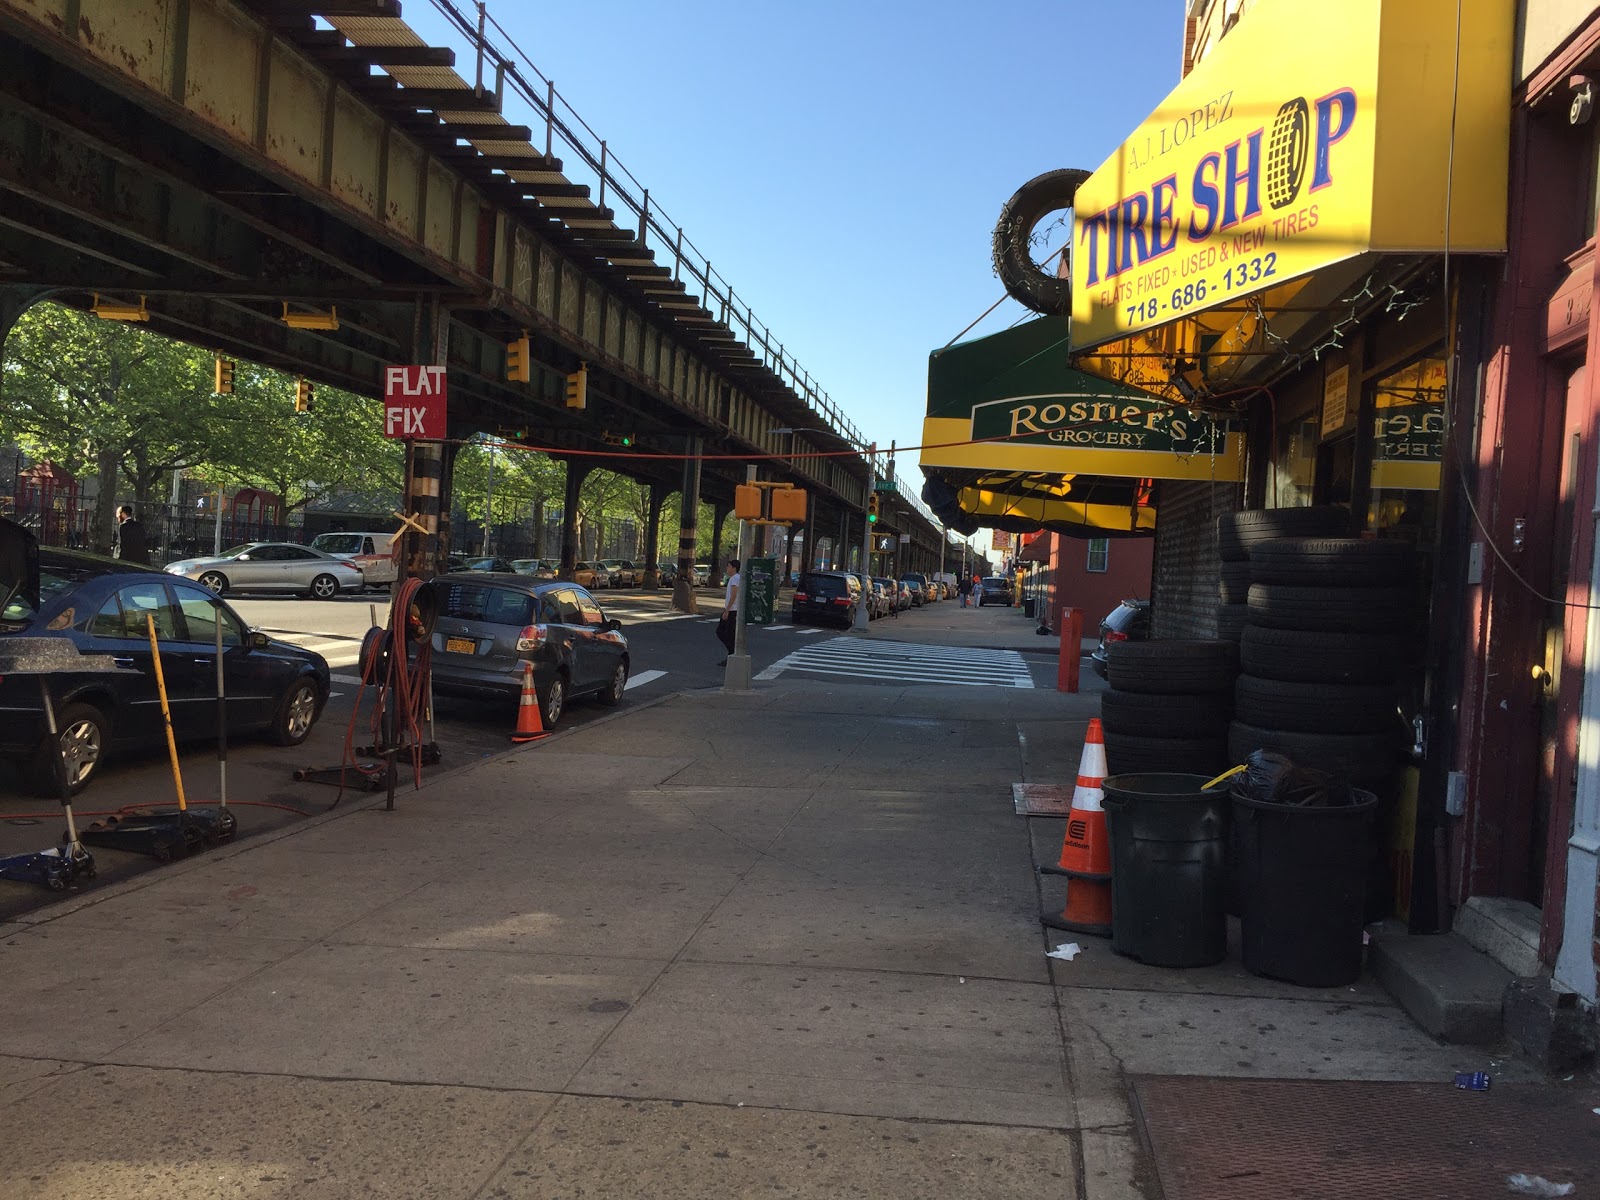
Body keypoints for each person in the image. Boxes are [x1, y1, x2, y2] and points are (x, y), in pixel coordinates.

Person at [715, 557, 741, 661]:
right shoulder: (737, 578)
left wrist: (727, 610)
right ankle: (732, 653)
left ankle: (732, 653)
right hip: (732, 609)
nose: (727, 568)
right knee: (727, 633)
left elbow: (734, 595)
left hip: (732, 610)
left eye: (729, 566)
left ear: (734, 568)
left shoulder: (734, 578)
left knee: (723, 632)